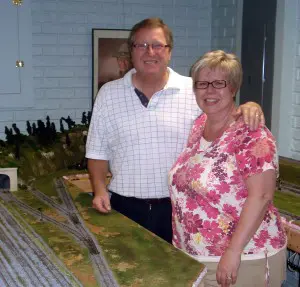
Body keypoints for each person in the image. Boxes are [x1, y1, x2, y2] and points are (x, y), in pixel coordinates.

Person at [86, 18, 264, 244]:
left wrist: (250, 107)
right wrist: (100, 191)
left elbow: (226, 118)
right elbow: (97, 152)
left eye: (158, 45)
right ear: (131, 52)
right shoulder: (108, 94)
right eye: (141, 45)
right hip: (123, 207)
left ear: (169, 51)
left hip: (181, 208)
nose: (150, 52)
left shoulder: (194, 91)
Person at [168, 50, 286, 286]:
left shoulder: (251, 133)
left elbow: (261, 196)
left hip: (242, 258)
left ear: (233, 88)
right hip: (195, 256)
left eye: (219, 83)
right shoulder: (199, 125)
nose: (209, 90)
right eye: (202, 83)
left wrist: (233, 252)